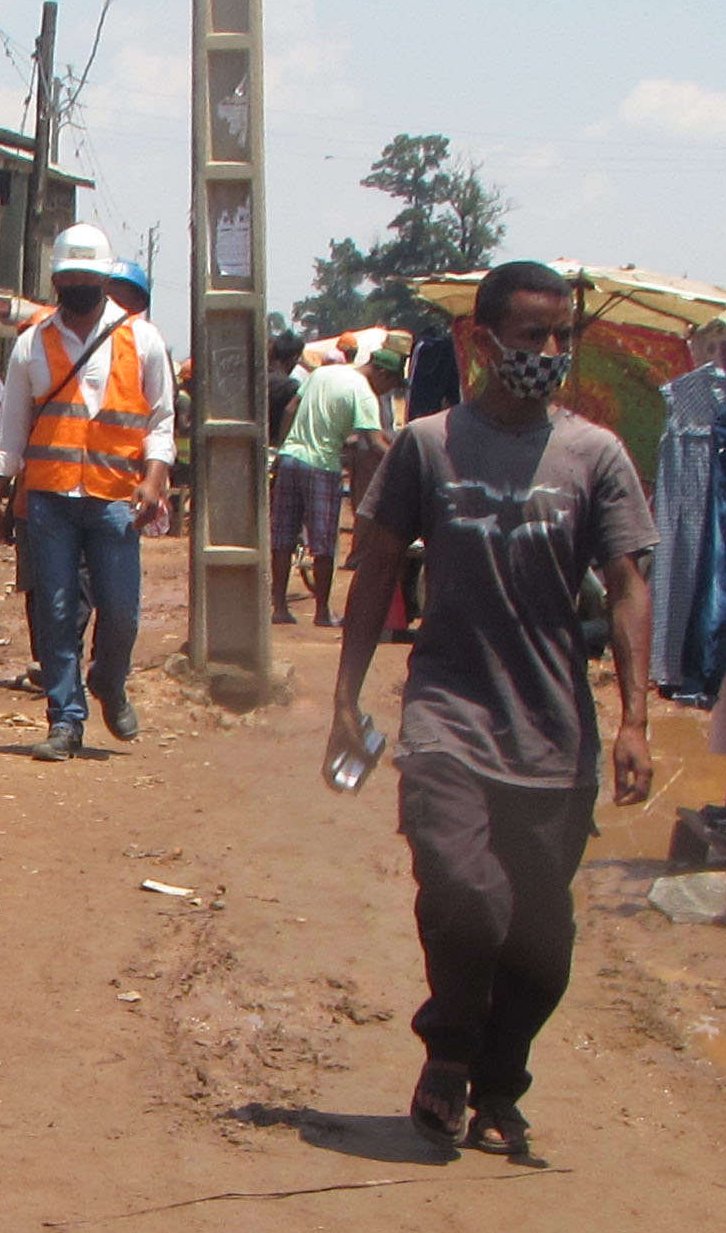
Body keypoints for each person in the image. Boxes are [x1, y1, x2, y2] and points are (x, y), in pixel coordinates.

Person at [328, 260, 657, 1165]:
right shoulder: (429, 447)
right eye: (529, 337)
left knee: (542, 946)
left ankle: (500, 1088)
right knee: (466, 898)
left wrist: (634, 719)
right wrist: (346, 696)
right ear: (481, 342)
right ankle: (450, 1053)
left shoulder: (595, 457)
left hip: (555, 735)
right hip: (449, 719)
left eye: (562, 338)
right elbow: (380, 568)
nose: (547, 354)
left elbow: (628, 583)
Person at [0, 223, 176, 759]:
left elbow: (161, 419)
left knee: (121, 612)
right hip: (48, 499)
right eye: (70, 278)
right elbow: (12, 427)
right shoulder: (32, 344)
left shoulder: (143, 340)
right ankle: (65, 720)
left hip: (116, 497)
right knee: (56, 614)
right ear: (57, 280)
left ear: (105, 279)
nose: (79, 287)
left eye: (89, 278)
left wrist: (154, 477)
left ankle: (109, 682)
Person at [273, 334, 383, 627]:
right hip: (322, 466)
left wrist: (283, 447)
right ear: (382, 373)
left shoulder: (319, 373)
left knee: (283, 536)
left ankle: (279, 608)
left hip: (290, 458)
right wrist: (405, 458)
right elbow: (374, 442)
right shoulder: (363, 392)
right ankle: (322, 612)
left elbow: (290, 410)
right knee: (322, 541)